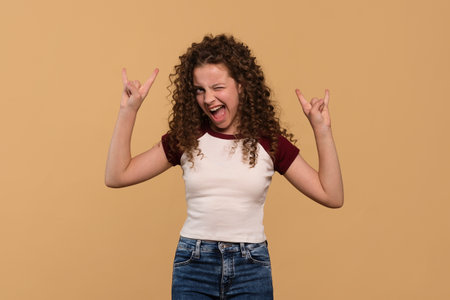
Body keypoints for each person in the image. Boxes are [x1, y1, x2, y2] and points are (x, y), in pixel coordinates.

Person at [105, 34, 343, 299]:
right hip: (193, 265)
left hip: (251, 266)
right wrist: (128, 111)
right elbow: (117, 175)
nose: (208, 99)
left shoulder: (267, 142)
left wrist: (322, 130)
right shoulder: (187, 137)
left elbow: (331, 195)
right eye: (200, 90)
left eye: (217, 87)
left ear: (241, 85)